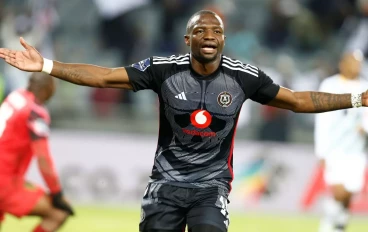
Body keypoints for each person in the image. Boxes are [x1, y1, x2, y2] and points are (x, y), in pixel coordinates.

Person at [0, 10, 367, 232]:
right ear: (187, 38)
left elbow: (299, 100)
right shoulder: (163, 70)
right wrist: (47, 65)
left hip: (211, 187)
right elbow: (104, 76)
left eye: (217, 32)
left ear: (223, 40)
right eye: (202, 31)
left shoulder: (243, 76)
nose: (210, 36)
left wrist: (358, 97)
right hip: (165, 186)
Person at [0, 73, 74, 232]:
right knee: (59, 212)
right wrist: (57, 193)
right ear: (49, 89)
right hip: (4, 183)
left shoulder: (15, 96)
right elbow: (43, 158)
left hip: (7, 178)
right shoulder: (36, 112)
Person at [314, 50, 368, 232]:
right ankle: (328, 225)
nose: (357, 66)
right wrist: (321, 150)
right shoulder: (330, 85)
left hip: (357, 150)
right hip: (334, 149)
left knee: (350, 192)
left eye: (359, 63)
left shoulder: (365, 86)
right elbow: (321, 119)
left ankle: (339, 224)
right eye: (353, 62)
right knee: (339, 191)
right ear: (343, 64)